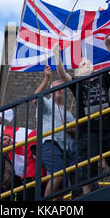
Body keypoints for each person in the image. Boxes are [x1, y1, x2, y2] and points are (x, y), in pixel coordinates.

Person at [52, 36, 110, 195]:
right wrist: (57, 54)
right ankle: (87, 196)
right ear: (78, 71)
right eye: (82, 63)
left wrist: (109, 46)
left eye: (88, 62)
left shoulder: (103, 77)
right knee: (88, 167)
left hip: (107, 129)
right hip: (87, 132)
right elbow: (62, 73)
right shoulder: (77, 83)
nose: (85, 63)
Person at [33, 65, 78, 200]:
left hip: (67, 149)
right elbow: (35, 98)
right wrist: (46, 78)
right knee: (57, 175)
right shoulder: (46, 103)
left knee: (63, 185)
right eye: (56, 87)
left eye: (62, 88)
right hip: (50, 143)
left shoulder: (69, 114)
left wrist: (72, 131)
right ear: (51, 91)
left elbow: (76, 134)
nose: (60, 90)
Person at [0, 116, 22, 200]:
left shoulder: (9, 161)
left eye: (10, 140)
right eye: (5, 139)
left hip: (6, 195)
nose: (9, 141)